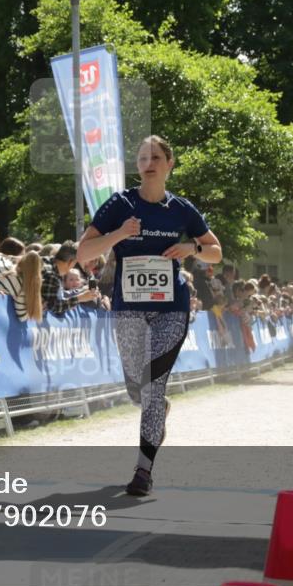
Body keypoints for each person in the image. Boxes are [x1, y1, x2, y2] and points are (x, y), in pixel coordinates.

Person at [77, 135, 222, 496]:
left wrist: (192, 247)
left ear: (170, 163)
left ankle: (143, 470)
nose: (149, 162)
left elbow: (216, 252)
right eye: (143, 157)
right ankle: (156, 407)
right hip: (129, 310)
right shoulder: (120, 204)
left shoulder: (182, 210)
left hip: (172, 308)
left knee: (153, 385)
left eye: (156, 156)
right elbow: (83, 252)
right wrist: (118, 234)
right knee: (136, 387)